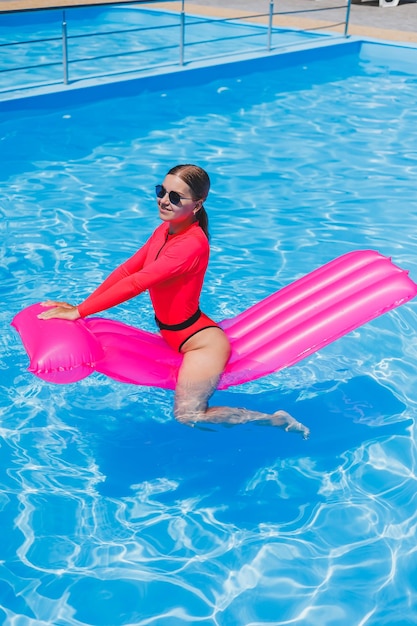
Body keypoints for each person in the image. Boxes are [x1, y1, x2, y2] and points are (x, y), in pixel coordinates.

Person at [38, 164, 309, 438]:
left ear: (197, 204)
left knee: (188, 415)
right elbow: (127, 270)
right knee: (187, 415)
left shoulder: (191, 245)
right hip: (175, 337)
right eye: (161, 191)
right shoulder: (164, 231)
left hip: (201, 346)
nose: (164, 200)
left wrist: (80, 311)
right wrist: (79, 309)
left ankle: (273, 420)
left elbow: (137, 283)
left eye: (175, 197)